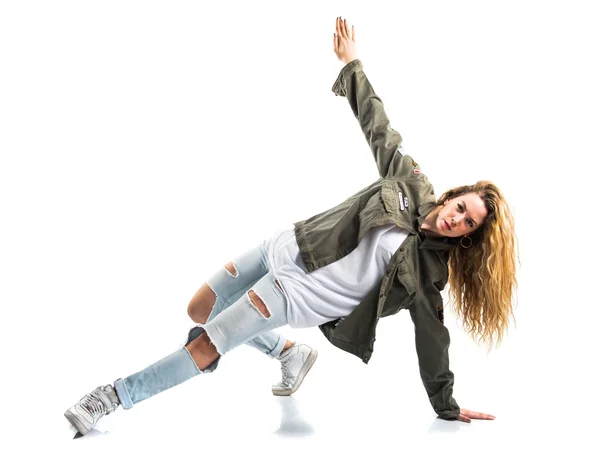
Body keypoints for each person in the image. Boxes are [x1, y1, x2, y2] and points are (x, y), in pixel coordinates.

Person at [64, 16, 518, 436]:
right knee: (200, 309)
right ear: (453, 195)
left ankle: (111, 397)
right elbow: (381, 129)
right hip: (284, 246)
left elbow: (432, 339)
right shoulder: (411, 182)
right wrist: (352, 63)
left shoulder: (428, 275)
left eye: (467, 224)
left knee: (208, 344)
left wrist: (445, 403)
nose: (456, 218)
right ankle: (288, 354)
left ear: (466, 239)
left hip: (297, 293)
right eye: (461, 207)